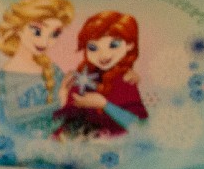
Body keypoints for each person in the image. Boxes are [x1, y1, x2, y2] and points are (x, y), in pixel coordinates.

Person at [0, 0, 74, 141]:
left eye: (54, 34)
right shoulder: (9, 72)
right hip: (22, 141)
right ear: (18, 28)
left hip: (53, 139)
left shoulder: (51, 68)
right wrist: (57, 103)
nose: (45, 42)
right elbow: (14, 116)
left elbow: (69, 99)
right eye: (37, 31)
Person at [54, 10, 148, 139]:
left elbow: (140, 126)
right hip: (79, 140)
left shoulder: (126, 79)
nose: (103, 55)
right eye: (93, 48)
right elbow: (65, 119)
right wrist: (63, 97)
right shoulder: (84, 77)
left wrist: (104, 105)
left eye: (113, 45)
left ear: (129, 45)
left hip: (111, 143)